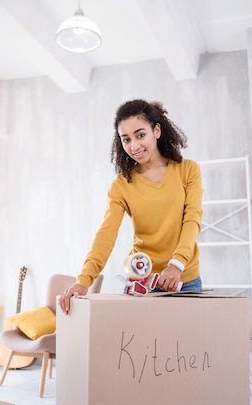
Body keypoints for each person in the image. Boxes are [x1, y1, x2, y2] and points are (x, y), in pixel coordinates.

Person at [59, 99, 203, 314]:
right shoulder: (121, 186)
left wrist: (177, 264)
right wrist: (84, 280)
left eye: (140, 135)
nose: (134, 146)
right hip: (141, 283)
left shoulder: (188, 170)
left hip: (184, 278)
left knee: (190, 347)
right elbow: (106, 234)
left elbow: (192, 219)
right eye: (126, 139)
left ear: (156, 130)